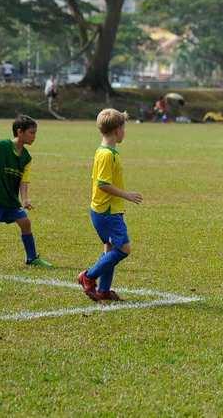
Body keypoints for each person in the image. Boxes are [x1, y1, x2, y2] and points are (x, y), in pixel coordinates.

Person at [77, 109, 143, 302]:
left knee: (110, 248)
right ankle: (88, 276)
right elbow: (103, 184)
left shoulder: (107, 152)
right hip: (107, 211)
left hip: (107, 210)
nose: (125, 132)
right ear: (117, 130)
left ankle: (104, 291)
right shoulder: (107, 155)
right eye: (124, 128)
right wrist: (127, 195)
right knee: (123, 249)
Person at [0, 115, 53, 268]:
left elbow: (24, 180)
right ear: (20, 132)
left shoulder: (26, 157)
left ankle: (32, 258)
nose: (34, 136)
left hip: (10, 198)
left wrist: (25, 199)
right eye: (31, 133)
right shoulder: (2, 146)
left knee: (25, 223)